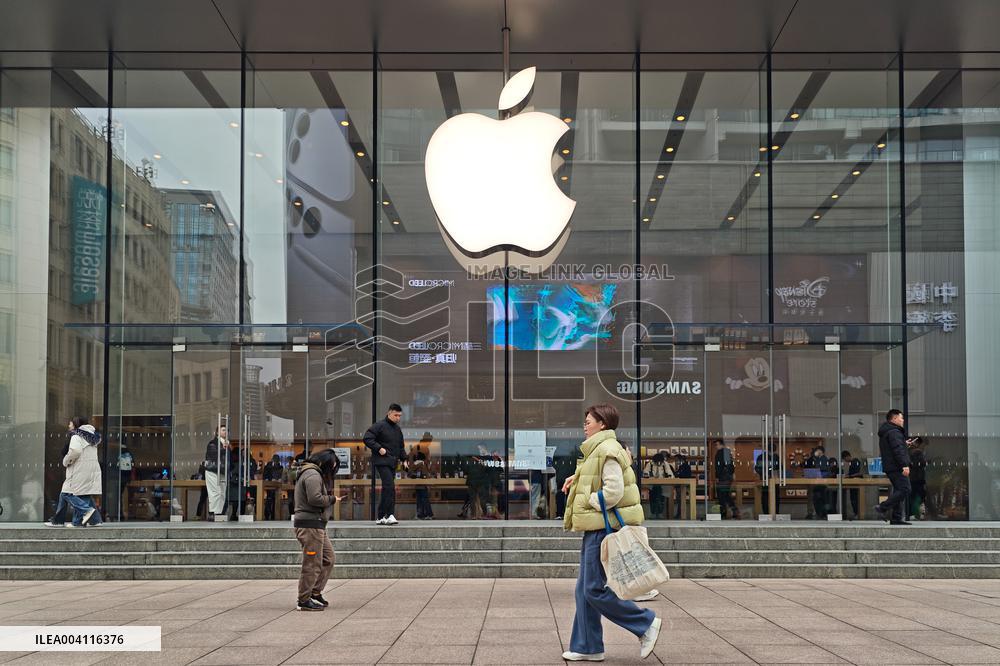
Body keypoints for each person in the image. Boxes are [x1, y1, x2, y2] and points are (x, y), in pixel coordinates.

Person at [560, 404, 661, 662]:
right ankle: (587, 646)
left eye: (588, 421)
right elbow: (598, 475)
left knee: (593, 589)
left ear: (602, 424)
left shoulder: (607, 449)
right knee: (584, 589)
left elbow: (613, 490)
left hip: (602, 529)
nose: (584, 425)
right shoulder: (599, 449)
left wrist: (588, 500)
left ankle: (645, 623)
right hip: (594, 527)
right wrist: (577, 478)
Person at [293, 448, 347, 611]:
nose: (333, 470)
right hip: (310, 525)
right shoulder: (312, 475)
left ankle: (315, 592)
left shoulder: (312, 473)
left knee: (328, 558)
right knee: (312, 563)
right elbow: (315, 498)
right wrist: (332, 499)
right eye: (333, 466)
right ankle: (304, 599)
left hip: (316, 525)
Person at [363, 404, 406, 525]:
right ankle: (389, 514)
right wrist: (379, 448)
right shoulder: (379, 426)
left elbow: (401, 447)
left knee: (388, 488)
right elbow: (367, 438)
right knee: (389, 486)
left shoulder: (398, 430)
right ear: (389, 413)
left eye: (400, 416)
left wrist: (405, 460)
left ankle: (382, 516)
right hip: (382, 461)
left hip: (392, 462)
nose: (398, 418)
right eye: (396, 415)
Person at [874, 409, 915, 525]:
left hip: (891, 466)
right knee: (905, 489)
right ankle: (882, 507)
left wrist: (904, 443)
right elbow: (897, 450)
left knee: (899, 490)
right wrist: (904, 465)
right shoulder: (894, 432)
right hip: (896, 466)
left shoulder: (889, 431)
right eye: (901, 418)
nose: (903, 420)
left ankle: (896, 518)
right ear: (894, 419)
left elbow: (895, 446)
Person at [62, 417, 104, 527]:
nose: (68, 426)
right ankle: (95, 520)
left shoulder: (76, 436)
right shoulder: (92, 436)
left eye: (70, 424)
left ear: (76, 425)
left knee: (68, 493)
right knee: (83, 494)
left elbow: (75, 451)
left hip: (80, 468)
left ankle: (85, 512)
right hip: (91, 469)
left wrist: (66, 461)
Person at [203, 425, 229, 519]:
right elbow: (214, 453)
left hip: (222, 471)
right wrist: (224, 448)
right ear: (217, 432)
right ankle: (213, 512)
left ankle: (219, 512)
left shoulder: (225, 444)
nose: (225, 432)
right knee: (215, 492)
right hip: (213, 471)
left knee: (222, 492)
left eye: (226, 430)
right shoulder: (213, 443)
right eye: (223, 430)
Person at [804, 446, 833, 519]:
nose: (815, 453)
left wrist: (818, 475)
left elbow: (825, 471)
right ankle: (820, 514)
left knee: (820, 499)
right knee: (818, 498)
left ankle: (822, 514)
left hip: (821, 482)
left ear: (820, 451)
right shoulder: (818, 459)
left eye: (816, 451)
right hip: (818, 482)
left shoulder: (824, 459)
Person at [642, 452, 673, 519]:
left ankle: (660, 513)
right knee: (652, 499)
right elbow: (645, 472)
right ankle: (653, 513)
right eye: (657, 462)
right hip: (652, 485)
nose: (658, 463)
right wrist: (648, 476)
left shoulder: (665, 464)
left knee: (662, 499)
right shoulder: (650, 464)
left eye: (660, 462)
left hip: (663, 485)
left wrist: (669, 476)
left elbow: (669, 473)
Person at [713, 440, 737, 519]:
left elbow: (723, 466)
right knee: (725, 495)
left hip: (724, 477)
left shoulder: (723, 452)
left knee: (722, 495)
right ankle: (732, 511)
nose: (716, 446)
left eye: (717, 444)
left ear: (721, 444)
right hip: (725, 477)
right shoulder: (725, 452)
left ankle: (725, 513)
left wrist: (718, 476)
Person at [840, 450, 863, 520]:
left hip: (856, 482)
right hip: (852, 483)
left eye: (845, 459)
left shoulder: (855, 461)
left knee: (855, 499)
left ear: (848, 456)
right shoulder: (851, 463)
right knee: (852, 498)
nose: (845, 461)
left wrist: (849, 476)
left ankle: (857, 513)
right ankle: (855, 513)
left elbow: (859, 473)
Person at [263, 454, 283, 520]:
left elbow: (281, 475)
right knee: (269, 500)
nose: (276, 462)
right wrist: (270, 479)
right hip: (270, 486)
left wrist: (280, 479)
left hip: (277, 486)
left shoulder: (280, 467)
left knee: (274, 500)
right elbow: (265, 476)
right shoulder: (268, 467)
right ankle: (267, 515)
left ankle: (273, 516)